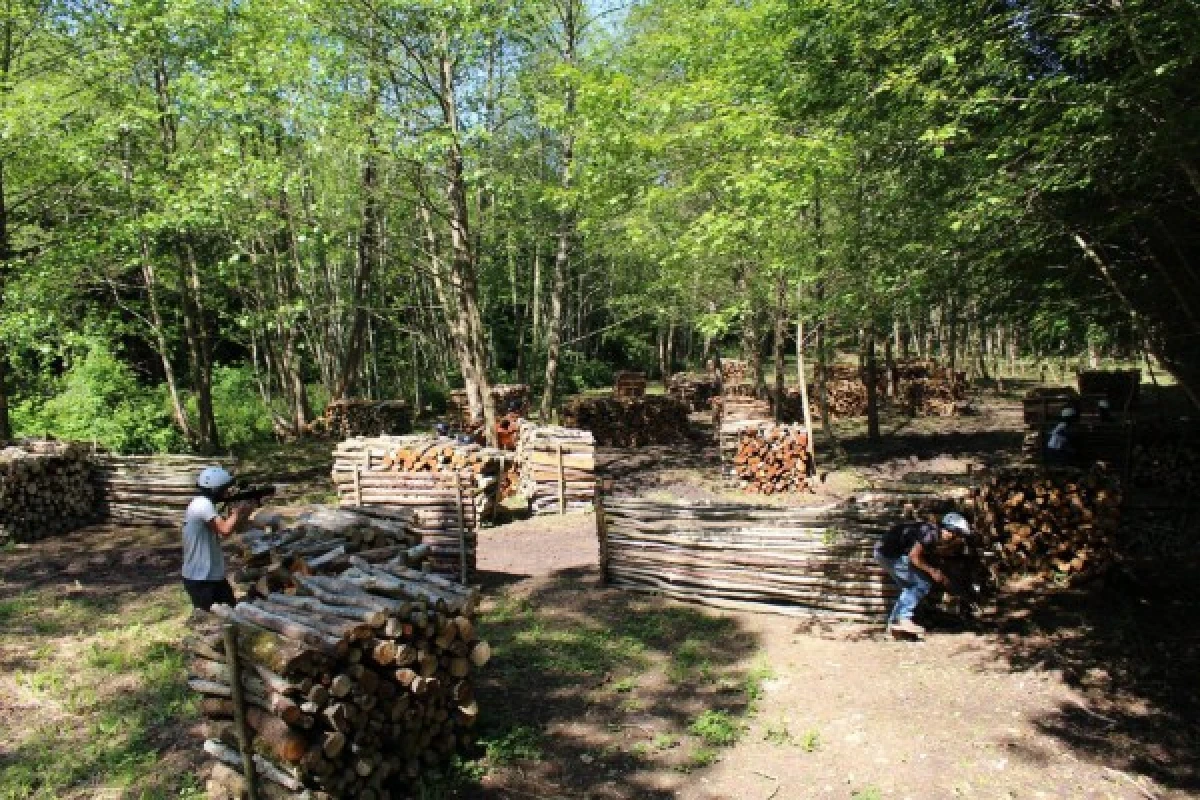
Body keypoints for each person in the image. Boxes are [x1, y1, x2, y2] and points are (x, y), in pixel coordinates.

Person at [875, 512, 972, 638]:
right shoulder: (930, 534)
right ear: (950, 531)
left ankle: (894, 628)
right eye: (956, 534)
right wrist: (932, 571)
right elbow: (913, 556)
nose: (954, 538)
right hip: (889, 554)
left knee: (908, 588)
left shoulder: (932, 532)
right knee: (921, 583)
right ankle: (903, 619)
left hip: (883, 552)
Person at [182, 466, 254, 611]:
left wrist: (242, 514)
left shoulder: (202, 503)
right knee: (211, 621)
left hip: (211, 575)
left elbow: (230, 527)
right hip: (201, 578)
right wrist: (237, 513)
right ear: (216, 490)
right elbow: (225, 530)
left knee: (232, 611)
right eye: (224, 489)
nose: (227, 492)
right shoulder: (203, 505)